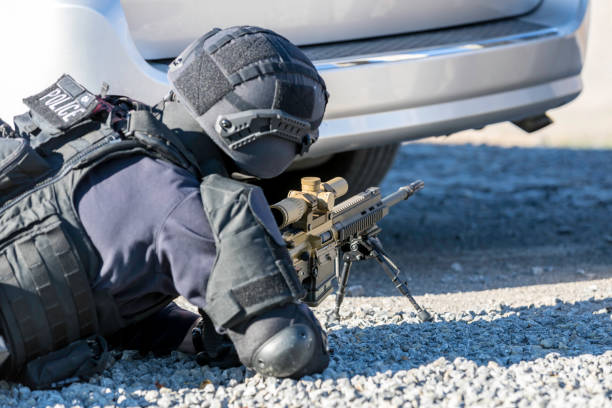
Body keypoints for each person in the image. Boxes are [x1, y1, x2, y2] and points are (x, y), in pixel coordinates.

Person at [0, 26, 329, 388]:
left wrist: (188, 333)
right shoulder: (184, 208)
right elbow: (285, 348)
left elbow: (108, 279)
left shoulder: (108, 126)